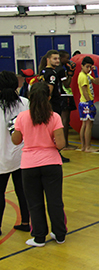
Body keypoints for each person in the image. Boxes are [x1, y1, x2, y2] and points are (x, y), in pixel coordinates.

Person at [12, 82, 67, 246]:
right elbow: (61, 144)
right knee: (55, 201)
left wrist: (15, 129)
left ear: (30, 97)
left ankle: (39, 237)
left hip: (29, 165)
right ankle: (59, 234)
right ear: (49, 98)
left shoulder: (22, 117)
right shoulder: (54, 117)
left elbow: (16, 141)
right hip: (51, 163)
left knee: (34, 203)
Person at [0, 71, 30, 236]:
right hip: (22, 155)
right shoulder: (24, 103)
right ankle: (26, 221)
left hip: (2, 156)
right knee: (23, 191)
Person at [40, 50, 70, 163]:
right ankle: (56, 153)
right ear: (48, 59)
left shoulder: (43, 71)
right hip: (52, 104)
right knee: (53, 129)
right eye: (54, 59)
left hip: (49, 104)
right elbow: (50, 90)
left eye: (58, 58)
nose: (57, 61)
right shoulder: (51, 73)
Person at [78, 56, 99, 153]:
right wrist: (90, 103)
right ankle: (87, 146)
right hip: (86, 102)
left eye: (90, 67)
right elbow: (84, 91)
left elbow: (97, 82)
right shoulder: (82, 76)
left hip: (84, 103)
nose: (88, 69)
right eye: (87, 66)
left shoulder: (87, 75)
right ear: (82, 66)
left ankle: (83, 146)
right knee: (88, 125)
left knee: (84, 124)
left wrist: (95, 73)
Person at [58, 50, 77, 151]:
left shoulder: (60, 68)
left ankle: (64, 142)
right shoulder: (61, 70)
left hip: (63, 95)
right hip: (65, 95)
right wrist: (70, 74)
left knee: (64, 120)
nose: (68, 60)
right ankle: (65, 143)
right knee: (65, 120)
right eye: (67, 58)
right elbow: (66, 84)